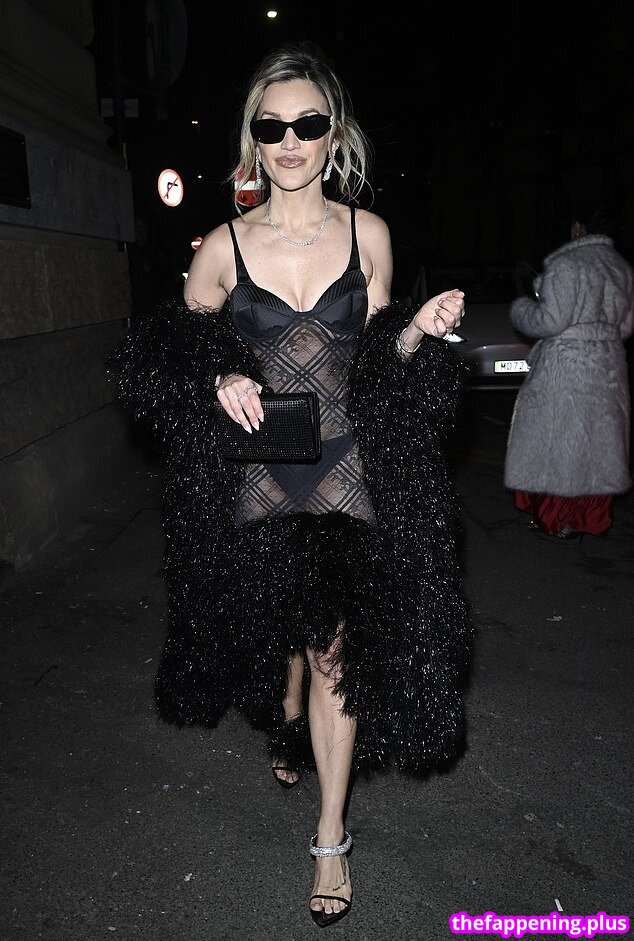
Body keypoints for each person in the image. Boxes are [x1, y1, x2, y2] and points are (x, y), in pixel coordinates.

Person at [107, 40, 471, 927]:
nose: (291, 142)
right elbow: (172, 354)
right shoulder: (223, 246)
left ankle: (329, 836)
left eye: (308, 123)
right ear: (254, 140)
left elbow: (378, 367)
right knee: (283, 646)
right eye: (272, 128)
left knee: (335, 648)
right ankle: (286, 709)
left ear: (333, 131)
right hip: (258, 479)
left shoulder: (368, 234)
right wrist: (219, 373)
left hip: (346, 472)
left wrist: (415, 331)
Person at [504, 203, 634, 541]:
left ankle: (558, 519)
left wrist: (521, 309)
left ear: (578, 228)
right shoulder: (621, 267)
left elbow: (549, 321)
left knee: (559, 441)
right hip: (607, 368)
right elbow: (626, 326)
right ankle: (588, 519)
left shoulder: (566, 264)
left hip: (566, 368)